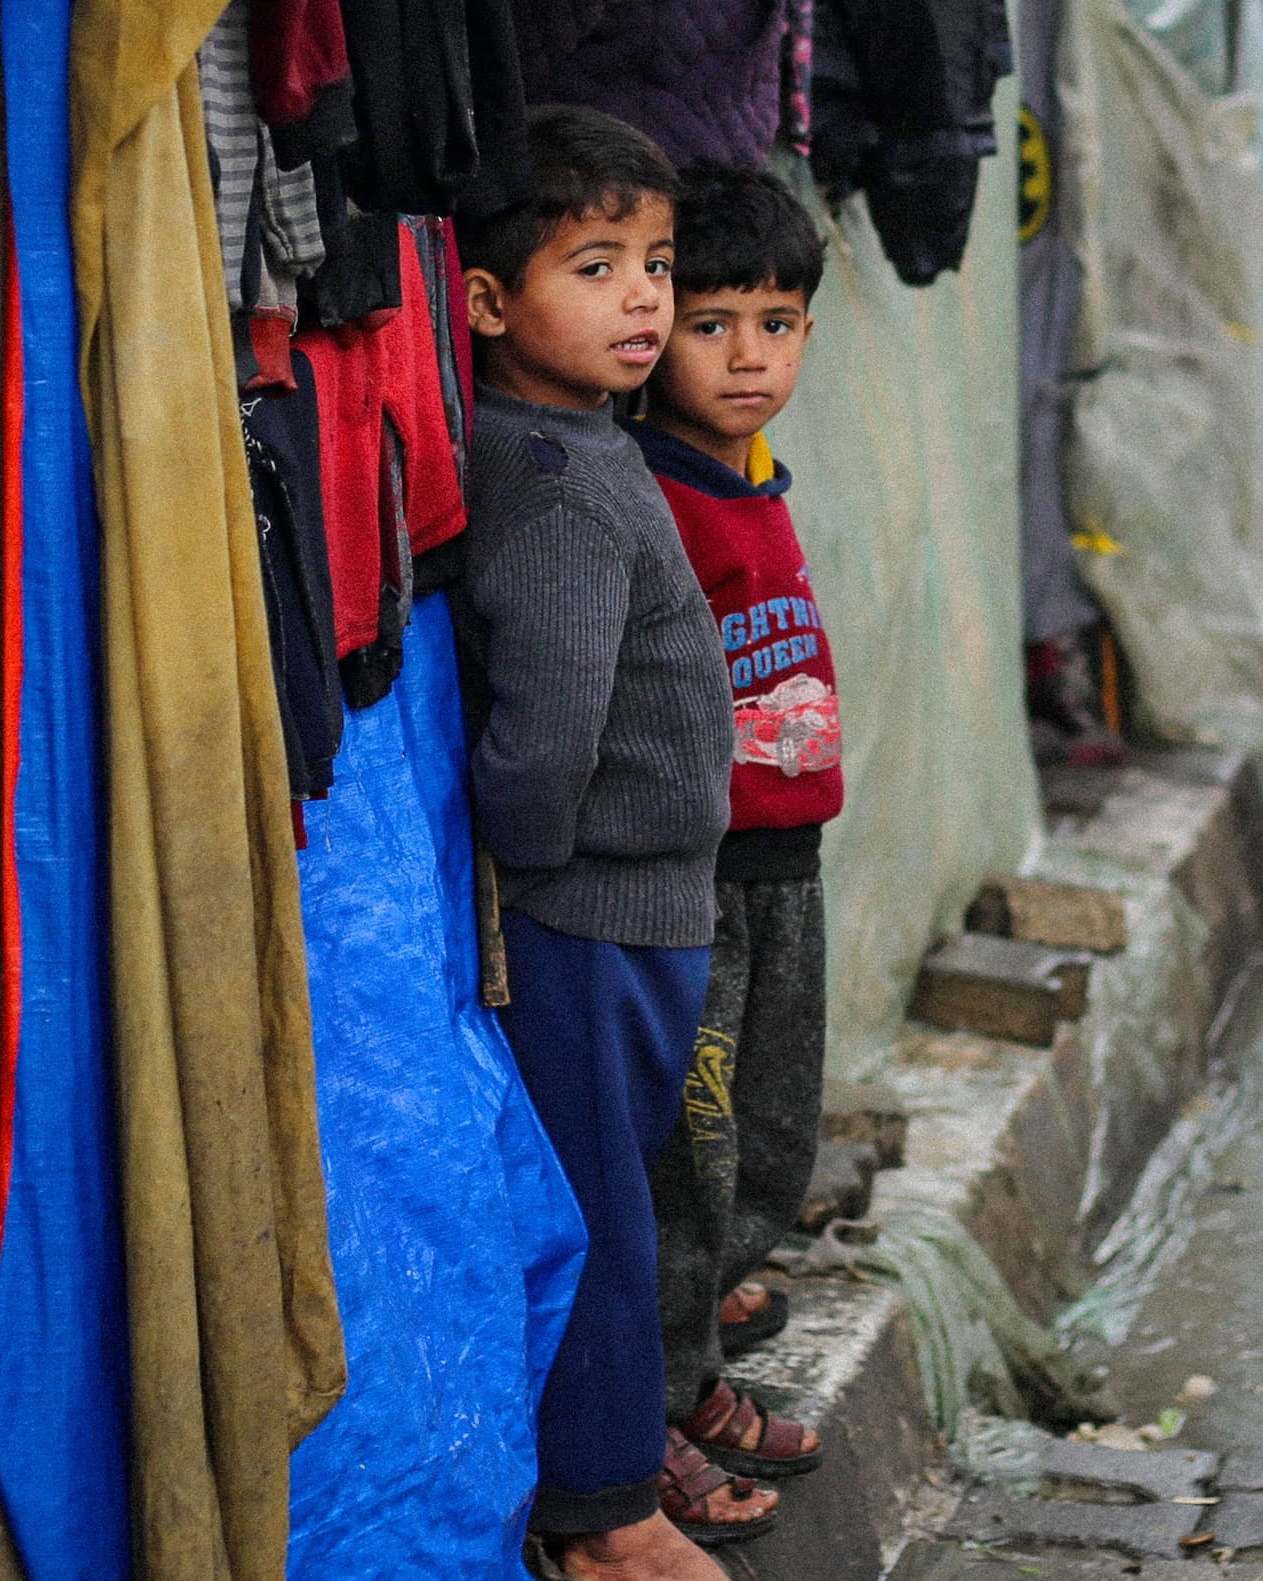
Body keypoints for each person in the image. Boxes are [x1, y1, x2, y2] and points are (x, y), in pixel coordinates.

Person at [450, 106, 756, 1577]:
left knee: (617, 1197)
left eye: (656, 263)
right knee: (600, 1218)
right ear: (486, 302)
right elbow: (544, 736)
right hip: (587, 920)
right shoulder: (560, 484)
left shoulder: (581, 441)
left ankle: (611, 1473)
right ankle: (604, 1514)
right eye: (596, 266)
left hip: (634, 910)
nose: (645, 297)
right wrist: (534, 863)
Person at [621, 159, 842, 1511]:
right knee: (691, 1152)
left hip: (783, 869)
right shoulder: (653, 497)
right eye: (712, 325)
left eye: (777, 324)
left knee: (768, 1133)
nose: (749, 357)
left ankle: (699, 1317)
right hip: (701, 879)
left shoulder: (749, 480)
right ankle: (665, 1392)